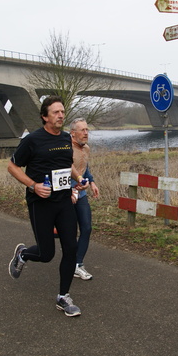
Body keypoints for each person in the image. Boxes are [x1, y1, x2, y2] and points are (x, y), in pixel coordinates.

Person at [6, 95, 88, 317]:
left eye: (62, 111)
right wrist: (33, 186)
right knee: (46, 253)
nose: (61, 115)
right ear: (45, 116)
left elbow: (67, 164)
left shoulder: (64, 139)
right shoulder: (32, 140)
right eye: (55, 112)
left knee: (71, 248)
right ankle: (23, 254)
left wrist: (79, 179)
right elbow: (12, 167)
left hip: (63, 201)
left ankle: (63, 296)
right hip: (40, 203)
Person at [69, 118, 100, 281]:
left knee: (86, 228)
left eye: (87, 130)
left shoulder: (86, 149)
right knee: (66, 232)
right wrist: (77, 184)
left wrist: (92, 182)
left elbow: (85, 168)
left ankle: (77, 264)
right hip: (66, 195)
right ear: (73, 133)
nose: (86, 133)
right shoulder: (66, 148)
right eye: (82, 130)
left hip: (81, 195)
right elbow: (66, 169)